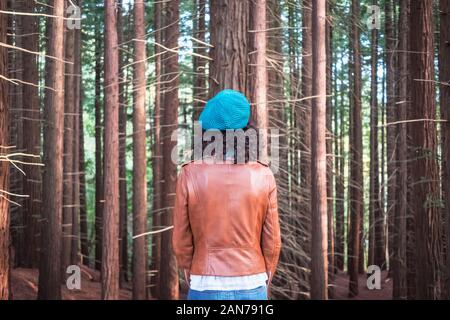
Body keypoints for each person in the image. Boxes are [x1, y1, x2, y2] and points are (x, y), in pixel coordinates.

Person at [172, 89, 281, 300]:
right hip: (253, 281)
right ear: (248, 129)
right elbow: (273, 240)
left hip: (205, 282)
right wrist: (265, 272)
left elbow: (181, 240)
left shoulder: (189, 174)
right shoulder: (264, 175)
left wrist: (191, 269)